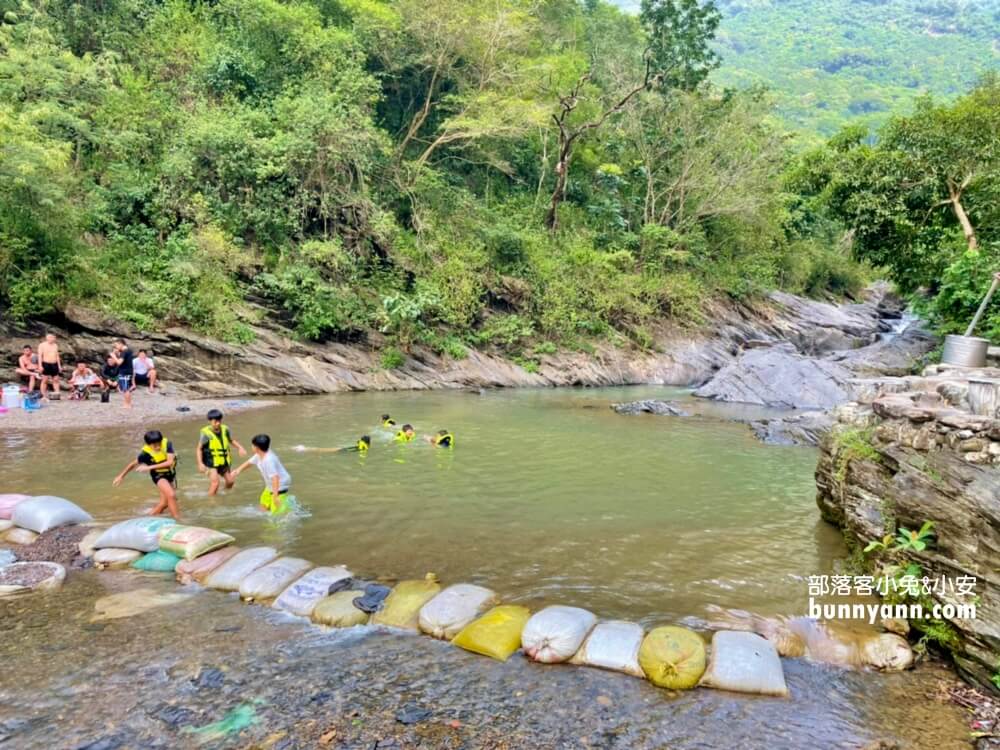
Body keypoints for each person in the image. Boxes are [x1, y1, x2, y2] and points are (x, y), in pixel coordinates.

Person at [112, 430, 180, 520]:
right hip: (159, 476)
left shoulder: (167, 444)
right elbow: (133, 464)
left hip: (170, 474)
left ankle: (149, 518)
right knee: (171, 495)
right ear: (148, 445)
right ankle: (178, 520)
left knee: (165, 503)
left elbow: (170, 462)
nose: (158, 447)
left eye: (159, 444)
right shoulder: (145, 454)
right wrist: (121, 476)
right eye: (154, 445)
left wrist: (148, 467)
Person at [233, 434, 292, 515]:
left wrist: (275, 497)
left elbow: (275, 478)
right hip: (270, 485)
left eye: (252, 445)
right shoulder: (260, 454)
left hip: (280, 484)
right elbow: (250, 462)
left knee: (277, 513)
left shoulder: (269, 460)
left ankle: (285, 511)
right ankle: (269, 508)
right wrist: (237, 471)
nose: (251, 446)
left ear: (256, 448)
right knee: (263, 505)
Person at [196, 408, 246, 495]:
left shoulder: (225, 429)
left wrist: (240, 447)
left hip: (223, 461)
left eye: (219, 421)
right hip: (210, 462)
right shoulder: (205, 433)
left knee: (230, 482)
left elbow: (231, 440)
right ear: (210, 421)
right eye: (215, 421)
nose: (218, 423)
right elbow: (199, 448)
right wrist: (200, 463)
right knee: (215, 483)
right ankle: (211, 501)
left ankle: (224, 494)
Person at [111, 339, 135, 408]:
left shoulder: (124, 352)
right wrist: (117, 353)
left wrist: (113, 356)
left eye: (116, 345)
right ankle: (127, 403)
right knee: (126, 389)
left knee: (125, 389)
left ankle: (127, 404)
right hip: (128, 371)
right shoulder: (129, 351)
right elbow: (124, 360)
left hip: (125, 372)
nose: (116, 347)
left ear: (120, 344)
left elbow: (119, 362)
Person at [37, 333, 62, 399]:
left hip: (54, 363)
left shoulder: (55, 345)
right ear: (47, 338)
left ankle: (57, 394)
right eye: (51, 337)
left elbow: (57, 356)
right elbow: (39, 356)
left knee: (56, 379)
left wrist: (59, 365)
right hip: (46, 363)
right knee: (45, 380)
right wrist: (40, 365)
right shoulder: (42, 345)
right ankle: (43, 395)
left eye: (54, 337)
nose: (53, 339)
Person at [294, 435, 371, 454]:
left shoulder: (362, 443)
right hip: (346, 450)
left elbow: (358, 442)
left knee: (324, 450)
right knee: (325, 450)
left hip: (344, 450)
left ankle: (304, 449)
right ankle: (305, 449)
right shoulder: (367, 446)